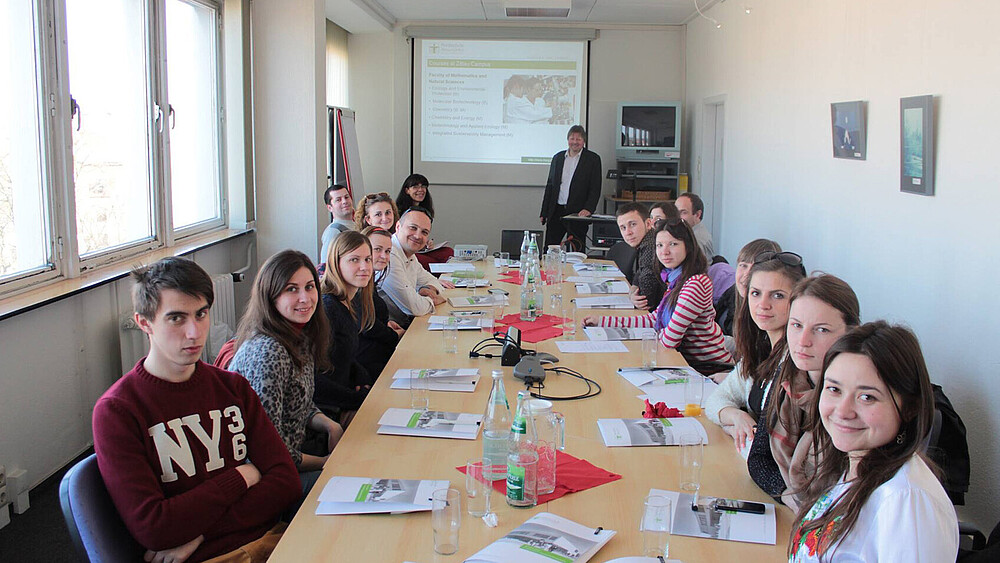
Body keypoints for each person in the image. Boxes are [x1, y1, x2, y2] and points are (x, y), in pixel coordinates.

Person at [92, 257, 300, 563]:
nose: (194, 332)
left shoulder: (233, 388)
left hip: (271, 541)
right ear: (144, 323)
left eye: (201, 314)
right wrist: (242, 476)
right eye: (176, 318)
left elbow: (286, 482)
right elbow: (156, 528)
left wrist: (201, 533)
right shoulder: (118, 411)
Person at [788, 321, 959, 561]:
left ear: (909, 407)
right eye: (834, 389)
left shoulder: (907, 501)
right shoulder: (851, 465)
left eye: (867, 397)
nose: (843, 411)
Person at [228, 250, 344, 496]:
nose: (305, 298)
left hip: (294, 460)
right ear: (271, 297)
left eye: (310, 287)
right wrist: (325, 463)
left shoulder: (299, 336)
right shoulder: (269, 351)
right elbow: (269, 448)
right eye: (292, 289)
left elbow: (297, 403)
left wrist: (330, 425)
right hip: (269, 478)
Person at [703, 250, 806, 498]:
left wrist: (732, 426)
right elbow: (716, 401)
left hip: (780, 491)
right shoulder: (760, 348)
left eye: (778, 296)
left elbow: (776, 454)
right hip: (751, 473)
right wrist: (735, 416)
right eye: (756, 293)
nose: (763, 305)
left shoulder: (798, 360)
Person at [582, 218, 732, 365]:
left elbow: (669, 339)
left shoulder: (695, 284)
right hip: (682, 361)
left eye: (673, 244)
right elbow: (653, 319)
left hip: (708, 368)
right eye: (659, 245)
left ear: (688, 246)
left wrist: (651, 337)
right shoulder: (675, 278)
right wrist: (602, 321)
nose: (664, 252)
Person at [767, 274, 860, 510]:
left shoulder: (854, 401)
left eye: (821, 330)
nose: (803, 341)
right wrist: (786, 496)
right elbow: (759, 460)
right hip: (795, 514)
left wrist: (795, 500)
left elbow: (847, 495)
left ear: (851, 333)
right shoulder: (790, 377)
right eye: (796, 325)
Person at [316, 231, 377, 425]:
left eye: (368, 259)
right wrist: (357, 399)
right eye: (354, 260)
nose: (364, 267)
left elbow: (341, 357)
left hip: (344, 398)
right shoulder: (328, 307)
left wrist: (360, 374)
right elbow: (314, 379)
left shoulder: (350, 302)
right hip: (325, 412)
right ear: (336, 262)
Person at [381, 206, 455, 327]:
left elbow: (433, 281)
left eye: (424, 232)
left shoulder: (409, 254)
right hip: (391, 334)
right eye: (413, 228)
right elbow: (414, 308)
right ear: (398, 226)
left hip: (407, 325)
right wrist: (433, 299)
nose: (417, 236)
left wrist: (427, 289)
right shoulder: (389, 254)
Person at [539, 125, 603, 250]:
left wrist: (588, 208)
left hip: (578, 212)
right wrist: (544, 211)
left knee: (576, 250)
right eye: (572, 139)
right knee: (550, 249)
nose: (575, 142)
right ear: (568, 140)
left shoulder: (593, 159)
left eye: (578, 139)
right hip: (556, 210)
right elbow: (550, 186)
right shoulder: (558, 158)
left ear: (583, 141)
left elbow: (595, 187)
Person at [358, 226, 404, 378]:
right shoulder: (358, 285)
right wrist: (395, 335)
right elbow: (367, 326)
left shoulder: (370, 281)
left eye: (388, 251)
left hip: (378, 351)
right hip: (368, 363)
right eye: (377, 249)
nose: (384, 256)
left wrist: (386, 324)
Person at [395, 174, 454, 267]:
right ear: (407, 190)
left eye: (423, 186)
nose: (420, 190)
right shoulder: (398, 212)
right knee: (434, 265)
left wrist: (427, 243)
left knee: (448, 252)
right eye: (415, 187)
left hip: (419, 249)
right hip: (405, 251)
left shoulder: (426, 211)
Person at [615, 202, 664, 312]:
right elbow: (640, 272)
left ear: (648, 224)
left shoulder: (651, 245)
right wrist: (633, 289)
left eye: (632, 224)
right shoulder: (648, 241)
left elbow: (645, 300)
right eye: (623, 228)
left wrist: (633, 296)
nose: (628, 232)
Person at [319, 184, 356, 266]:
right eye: (338, 200)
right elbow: (325, 266)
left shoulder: (357, 225)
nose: (344, 202)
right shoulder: (333, 231)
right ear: (329, 208)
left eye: (346, 197)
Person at [675, 192, 714, 260]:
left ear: (697, 214)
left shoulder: (697, 240)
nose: (677, 217)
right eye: (675, 212)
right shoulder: (688, 232)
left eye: (683, 212)